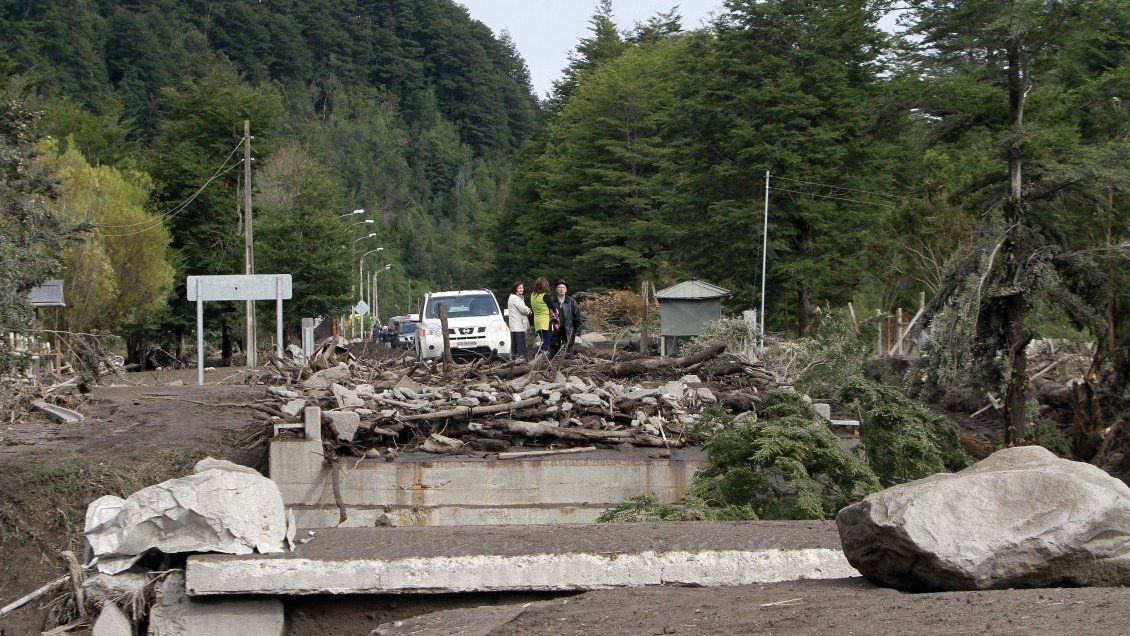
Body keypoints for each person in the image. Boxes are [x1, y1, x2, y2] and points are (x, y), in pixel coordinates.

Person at [547, 278, 582, 358]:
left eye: (563, 287)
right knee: (553, 353)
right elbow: (546, 317)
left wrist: (578, 333)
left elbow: (577, 318)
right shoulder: (552, 301)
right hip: (555, 330)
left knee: (569, 354)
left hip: (568, 330)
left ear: (566, 290)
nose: (561, 289)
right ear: (556, 289)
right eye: (559, 287)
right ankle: (551, 369)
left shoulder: (571, 301)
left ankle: (569, 368)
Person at [507, 280, 533, 360]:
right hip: (518, 326)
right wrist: (529, 310)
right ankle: (522, 362)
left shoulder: (513, 297)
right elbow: (523, 309)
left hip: (514, 326)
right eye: (519, 288)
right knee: (520, 346)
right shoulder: (516, 298)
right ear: (515, 289)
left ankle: (514, 362)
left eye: (522, 288)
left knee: (515, 346)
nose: (522, 289)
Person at [530, 277, 552, 354]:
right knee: (547, 339)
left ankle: (542, 354)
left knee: (543, 339)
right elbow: (553, 307)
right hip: (545, 321)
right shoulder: (545, 296)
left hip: (537, 321)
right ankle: (544, 355)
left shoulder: (532, 295)